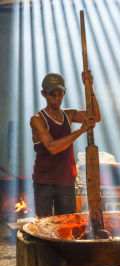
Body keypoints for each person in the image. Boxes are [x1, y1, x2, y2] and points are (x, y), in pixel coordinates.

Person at [30, 71, 100, 218]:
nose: (57, 98)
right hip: (44, 181)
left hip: (66, 180)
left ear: (64, 92)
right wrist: (81, 130)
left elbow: (95, 116)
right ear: (43, 94)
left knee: (67, 225)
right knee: (45, 226)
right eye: (52, 94)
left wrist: (90, 87)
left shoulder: (68, 115)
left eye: (60, 94)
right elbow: (52, 147)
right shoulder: (37, 119)